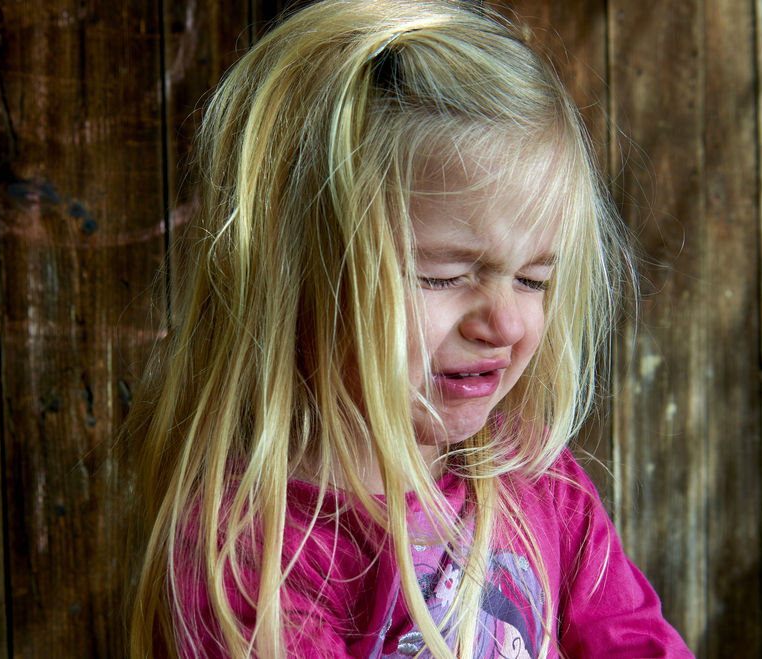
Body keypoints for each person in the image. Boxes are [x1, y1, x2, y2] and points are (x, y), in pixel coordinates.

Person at [124, 0, 693, 656]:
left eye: (534, 279)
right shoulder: (258, 553)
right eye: (446, 276)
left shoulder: (533, 478)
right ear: (303, 272)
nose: (505, 322)